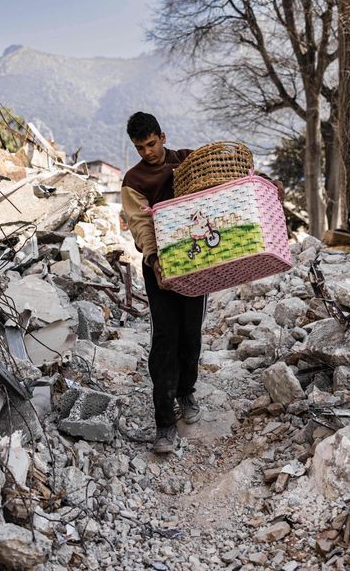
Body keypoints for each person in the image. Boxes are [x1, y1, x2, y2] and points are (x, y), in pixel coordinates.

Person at [119, 112, 199, 454]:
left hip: (196, 261)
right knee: (165, 337)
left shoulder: (186, 161)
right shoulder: (133, 180)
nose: (148, 153)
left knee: (191, 332)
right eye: (140, 148)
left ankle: (186, 390)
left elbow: (223, 183)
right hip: (160, 268)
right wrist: (155, 261)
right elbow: (141, 225)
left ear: (162, 137)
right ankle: (164, 423)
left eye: (151, 144)